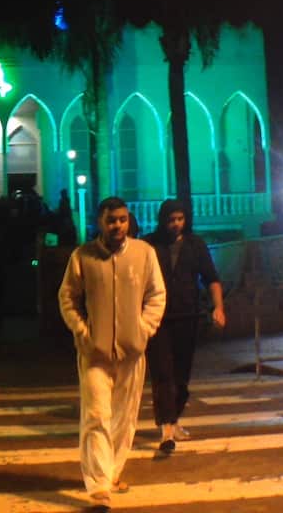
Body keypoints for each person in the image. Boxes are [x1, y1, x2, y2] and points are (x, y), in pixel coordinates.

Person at [58, 196, 166, 505]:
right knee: (97, 415)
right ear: (100, 222)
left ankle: (112, 471)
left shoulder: (144, 253)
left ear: (128, 220)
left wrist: (143, 328)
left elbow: (156, 294)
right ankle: (99, 486)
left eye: (122, 219)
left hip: (132, 351)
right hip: (94, 354)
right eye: (111, 220)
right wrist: (83, 332)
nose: (118, 225)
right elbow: (67, 297)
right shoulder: (83, 257)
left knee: (123, 417)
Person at [143, 199, 225, 453]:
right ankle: (166, 427)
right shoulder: (149, 245)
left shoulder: (195, 245)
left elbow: (211, 278)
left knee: (181, 375)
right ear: (162, 220)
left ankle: (174, 419)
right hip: (157, 319)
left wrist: (218, 307)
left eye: (180, 219)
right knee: (162, 373)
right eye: (171, 220)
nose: (176, 224)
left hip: (188, 316)